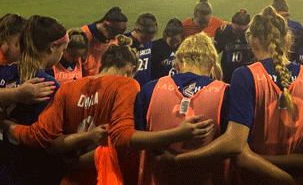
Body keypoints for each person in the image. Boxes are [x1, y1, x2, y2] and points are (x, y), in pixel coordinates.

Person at [169, 6, 303, 185]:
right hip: (301, 177)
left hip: (254, 178)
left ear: (253, 41)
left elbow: (234, 144)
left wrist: (180, 160)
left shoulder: (245, 75)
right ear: (288, 40)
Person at [4, 34, 214, 185]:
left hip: (68, 178)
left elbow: (48, 140)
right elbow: (122, 141)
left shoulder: (68, 88)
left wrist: (8, 125)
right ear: (130, 69)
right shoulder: (127, 86)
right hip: (107, 177)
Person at [135, 32, 229, 185]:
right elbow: (233, 146)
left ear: (177, 64)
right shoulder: (226, 93)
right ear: (212, 66)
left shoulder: (149, 90)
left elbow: (135, 141)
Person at [0, 15, 69, 185]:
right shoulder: (47, 85)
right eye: (63, 49)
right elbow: (49, 142)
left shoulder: (4, 73)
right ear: (53, 47)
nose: (63, 54)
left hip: (5, 167)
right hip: (33, 171)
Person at [81, 6, 128, 76]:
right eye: (114, 34)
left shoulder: (114, 40)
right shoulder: (84, 35)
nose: (115, 38)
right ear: (105, 25)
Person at [214, 9, 254, 83]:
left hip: (247, 74)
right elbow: (215, 50)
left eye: (241, 31)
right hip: (227, 74)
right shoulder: (224, 31)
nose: (237, 34)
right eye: (235, 30)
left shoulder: (252, 35)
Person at [125, 13, 158, 86]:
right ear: (136, 30)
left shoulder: (149, 42)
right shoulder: (125, 42)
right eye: (144, 38)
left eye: (150, 38)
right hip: (128, 87)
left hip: (145, 87)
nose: (147, 41)